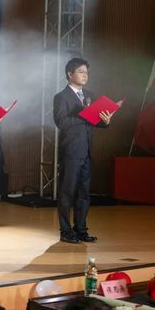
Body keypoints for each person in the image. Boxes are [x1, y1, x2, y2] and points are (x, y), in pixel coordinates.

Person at [54, 58, 113, 244]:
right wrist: (84, 114)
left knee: (84, 193)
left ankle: (80, 230)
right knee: (67, 192)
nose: (85, 75)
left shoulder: (90, 95)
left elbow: (93, 121)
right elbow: (61, 122)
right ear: (70, 74)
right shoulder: (61, 97)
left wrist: (105, 121)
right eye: (81, 72)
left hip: (87, 151)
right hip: (71, 151)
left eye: (87, 72)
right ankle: (65, 231)